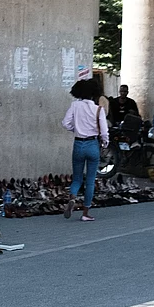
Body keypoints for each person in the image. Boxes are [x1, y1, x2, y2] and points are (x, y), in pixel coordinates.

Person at [62, 79, 109, 222]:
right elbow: (104, 131)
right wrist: (105, 143)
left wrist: (75, 130)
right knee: (90, 180)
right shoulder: (98, 109)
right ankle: (85, 213)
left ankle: (72, 197)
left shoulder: (75, 105)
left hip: (78, 144)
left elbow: (65, 123)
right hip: (92, 144)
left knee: (76, 178)